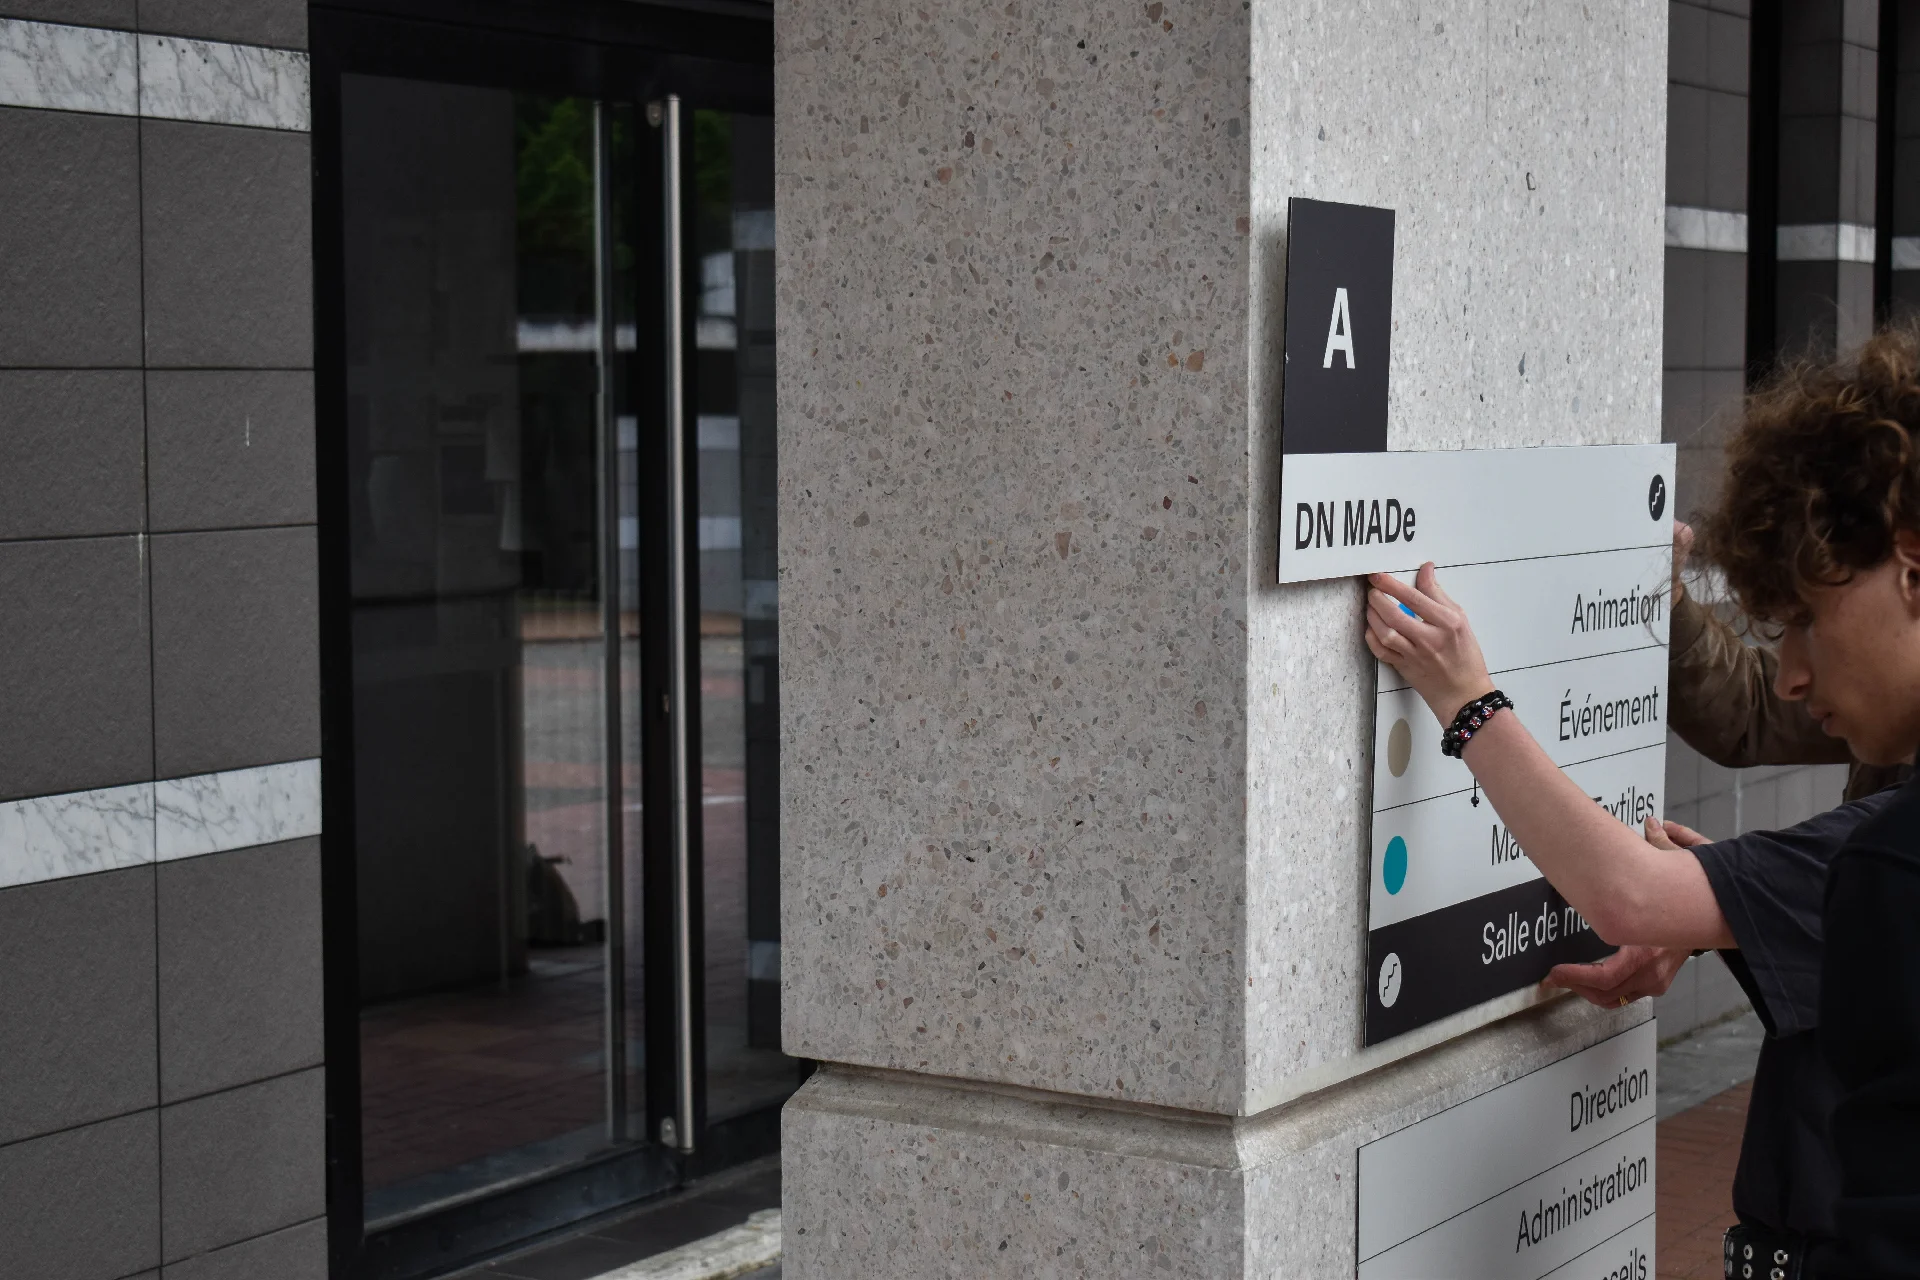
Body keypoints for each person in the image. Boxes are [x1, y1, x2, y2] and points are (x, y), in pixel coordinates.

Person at [1364, 327, 1920, 1277]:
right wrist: (1734, 912)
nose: (1790, 676)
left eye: (1804, 622)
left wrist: (1469, 702)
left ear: (1910, 568)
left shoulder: (1891, 854)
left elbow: (1624, 892)